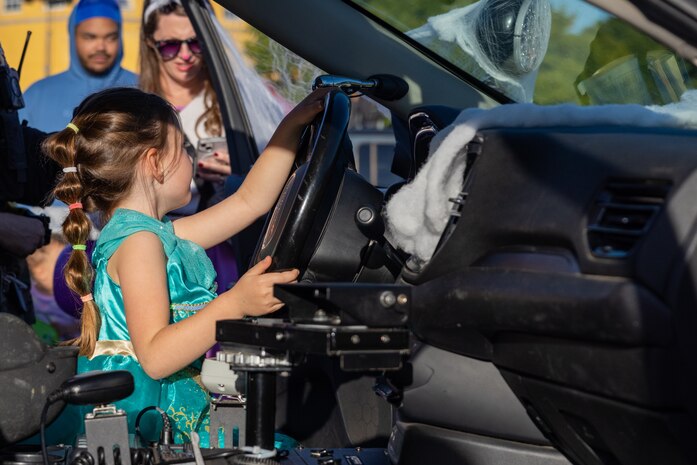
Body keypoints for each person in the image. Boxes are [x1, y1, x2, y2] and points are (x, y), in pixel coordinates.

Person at [42, 85, 326, 446]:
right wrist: (235, 304)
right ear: (154, 162)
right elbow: (157, 358)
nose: (191, 159)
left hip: (167, 416)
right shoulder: (139, 243)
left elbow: (250, 202)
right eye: (184, 149)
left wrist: (292, 125)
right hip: (146, 427)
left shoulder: (155, 235)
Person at [19, 0, 138, 133]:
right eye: (90, 37)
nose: (101, 47)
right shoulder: (35, 97)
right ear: (73, 36)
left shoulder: (144, 91)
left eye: (110, 37)